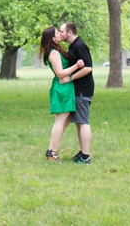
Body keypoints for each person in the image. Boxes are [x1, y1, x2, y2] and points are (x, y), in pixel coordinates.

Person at [39, 26, 84, 162]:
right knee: (60, 121)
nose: (60, 34)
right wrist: (76, 66)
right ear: (53, 38)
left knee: (65, 120)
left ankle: (52, 151)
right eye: (57, 33)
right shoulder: (54, 53)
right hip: (62, 86)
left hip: (65, 86)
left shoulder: (56, 51)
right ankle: (52, 152)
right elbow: (59, 73)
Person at [60, 22, 94, 164]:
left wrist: (70, 78)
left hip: (82, 89)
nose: (60, 33)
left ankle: (85, 156)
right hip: (78, 89)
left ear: (69, 32)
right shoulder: (73, 46)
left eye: (61, 31)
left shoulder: (80, 46)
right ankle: (81, 153)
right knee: (79, 123)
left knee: (83, 122)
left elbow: (88, 68)